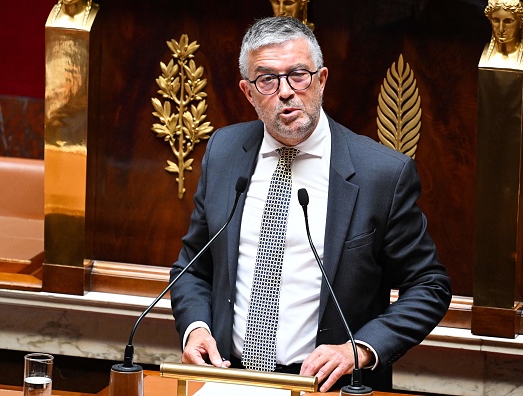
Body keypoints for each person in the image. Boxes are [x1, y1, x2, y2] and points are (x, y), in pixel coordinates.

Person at [170, 16, 451, 392]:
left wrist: (361, 350)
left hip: (327, 387)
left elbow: (429, 285)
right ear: (248, 93)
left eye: (298, 74)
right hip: (230, 379)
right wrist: (196, 328)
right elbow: (192, 267)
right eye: (267, 80)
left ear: (321, 80)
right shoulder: (223, 152)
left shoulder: (382, 174)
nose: (285, 91)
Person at [479, 0, 523, 70]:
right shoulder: (480, 54)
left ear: (521, 22)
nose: (501, 29)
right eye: (496, 20)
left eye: (508, 21)